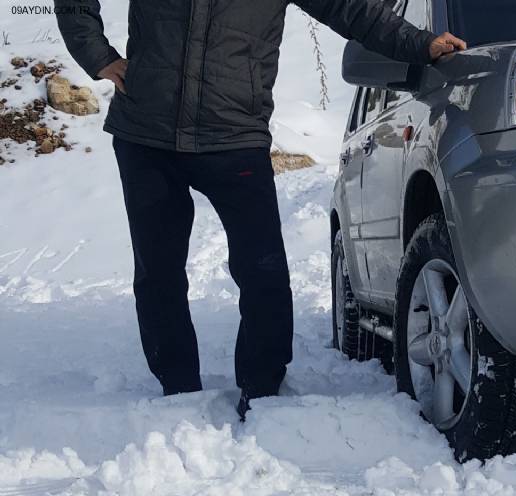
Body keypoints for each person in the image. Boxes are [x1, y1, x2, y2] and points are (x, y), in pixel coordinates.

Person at [55, 0, 466, 419]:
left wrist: (423, 43)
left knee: (262, 270)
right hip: (147, 135)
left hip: (234, 135)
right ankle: (177, 389)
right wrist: (98, 56)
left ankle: (263, 388)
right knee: (158, 271)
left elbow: (352, 10)